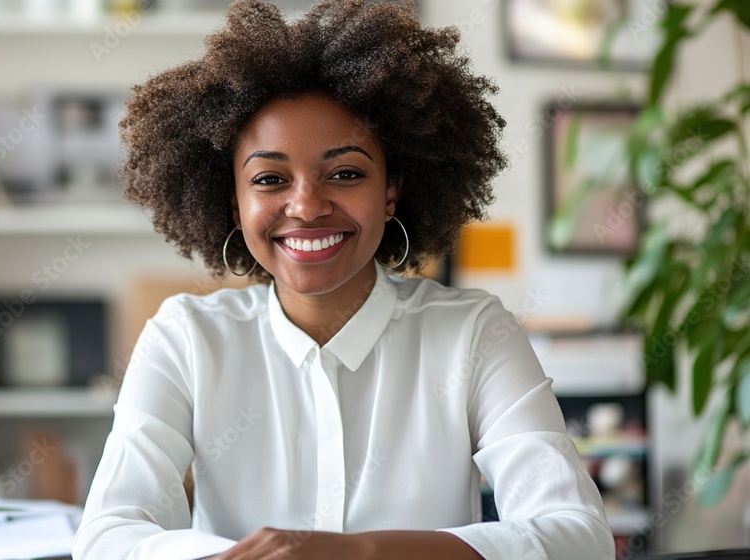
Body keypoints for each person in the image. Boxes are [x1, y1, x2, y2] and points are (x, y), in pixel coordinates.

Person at [73, 0, 615, 558]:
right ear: (233, 204)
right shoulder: (186, 338)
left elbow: (578, 534)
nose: (306, 207)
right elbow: (108, 536)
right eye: (269, 178)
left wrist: (361, 552)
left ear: (391, 191)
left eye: (346, 173)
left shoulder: (475, 334)